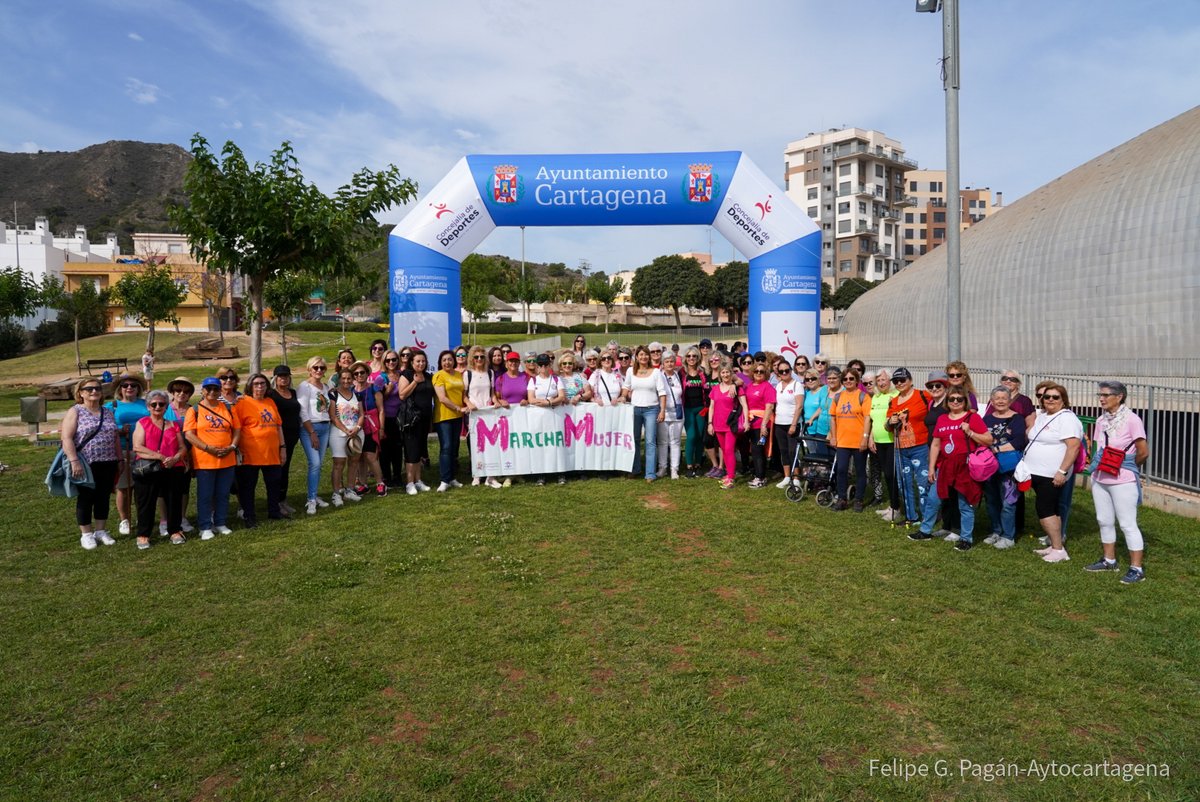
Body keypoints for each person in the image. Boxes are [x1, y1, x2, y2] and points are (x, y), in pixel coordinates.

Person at [910, 389, 993, 549]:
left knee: (965, 503)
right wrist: (932, 467)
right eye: (952, 399)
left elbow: (988, 439)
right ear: (947, 402)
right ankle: (925, 531)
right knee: (933, 499)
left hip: (964, 466)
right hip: (945, 466)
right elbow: (935, 444)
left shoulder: (972, 417)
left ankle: (966, 539)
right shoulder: (942, 419)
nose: (955, 402)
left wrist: (970, 432)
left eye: (959, 399)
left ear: (965, 401)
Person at [1085, 380, 1150, 584]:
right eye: (1100, 395)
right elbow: (1100, 447)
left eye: (1105, 395)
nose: (1101, 399)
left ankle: (1136, 568)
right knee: (1103, 519)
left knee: (1127, 523)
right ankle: (1109, 560)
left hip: (1123, 480)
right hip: (1100, 477)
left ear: (1119, 396)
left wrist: (1127, 466)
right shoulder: (1101, 420)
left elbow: (1143, 451)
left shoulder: (1132, 420)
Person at [60, 378, 122, 549]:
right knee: (86, 497)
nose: (94, 391)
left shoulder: (107, 412)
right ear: (80, 392)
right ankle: (86, 534)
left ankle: (101, 530)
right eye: (89, 389)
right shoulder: (76, 411)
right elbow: (66, 437)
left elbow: (115, 436)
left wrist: (119, 459)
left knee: (103, 496)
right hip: (86, 462)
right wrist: (74, 461)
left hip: (108, 461)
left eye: (97, 388)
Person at [1026, 383, 1083, 564]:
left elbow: (1073, 447)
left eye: (1055, 397)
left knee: (1045, 509)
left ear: (1063, 400)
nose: (1050, 400)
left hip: (1051, 474)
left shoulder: (1066, 418)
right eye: (1046, 397)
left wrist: (1062, 471)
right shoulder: (1044, 416)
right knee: (1052, 509)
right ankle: (1054, 544)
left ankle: (1058, 549)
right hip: (1036, 471)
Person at [130, 389, 190, 549]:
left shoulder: (173, 424)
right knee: (146, 502)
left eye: (161, 404)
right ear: (148, 406)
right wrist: (161, 457)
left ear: (166, 406)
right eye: (154, 404)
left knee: (173, 500)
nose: (157, 407)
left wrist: (176, 458)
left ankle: (175, 530)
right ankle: (143, 534)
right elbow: (137, 447)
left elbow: (183, 447)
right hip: (149, 468)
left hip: (172, 468)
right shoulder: (142, 423)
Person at [184, 377, 241, 541]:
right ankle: (205, 526)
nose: (212, 392)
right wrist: (208, 448)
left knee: (223, 493)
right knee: (206, 494)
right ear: (202, 390)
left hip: (227, 458)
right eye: (208, 389)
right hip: (205, 459)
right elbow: (189, 434)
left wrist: (232, 447)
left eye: (215, 389)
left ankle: (220, 522)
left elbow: (237, 430)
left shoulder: (228, 408)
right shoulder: (194, 410)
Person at [233, 373, 285, 526]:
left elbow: (278, 426)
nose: (260, 387)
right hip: (250, 453)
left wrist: (283, 447)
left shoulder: (271, 402)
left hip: (271, 452)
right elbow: (236, 428)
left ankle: (274, 511)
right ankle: (249, 516)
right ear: (250, 386)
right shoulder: (242, 403)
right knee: (248, 487)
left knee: (274, 483)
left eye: (263, 383)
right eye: (256, 384)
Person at [886, 368, 934, 526]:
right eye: (896, 381)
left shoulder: (923, 395)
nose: (899, 383)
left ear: (910, 380)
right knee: (904, 483)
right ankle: (911, 516)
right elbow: (887, 426)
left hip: (920, 447)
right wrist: (890, 422)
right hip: (900, 448)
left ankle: (928, 517)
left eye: (902, 380)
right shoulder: (893, 401)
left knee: (922, 483)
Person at [981, 385, 1027, 549]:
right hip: (989, 466)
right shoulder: (986, 419)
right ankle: (996, 531)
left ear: (1009, 400)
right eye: (997, 398)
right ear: (992, 401)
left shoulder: (1018, 419)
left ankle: (1008, 536)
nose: (1000, 401)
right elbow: (981, 439)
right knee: (992, 500)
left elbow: (1019, 441)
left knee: (1008, 502)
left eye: (1004, 398)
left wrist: (997, 448)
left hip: (1008, 467)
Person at [107, 373, 149, 537]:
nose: (129, 388)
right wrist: (119, 429)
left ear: (138, 388)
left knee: (141, 487)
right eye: (125, 385)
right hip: (123, 450)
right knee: (123, 488)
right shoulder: (113, 406)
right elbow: (107, 427)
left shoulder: (145, 404)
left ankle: (141, 517)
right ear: (120, 389)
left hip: (143, 451)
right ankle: (125, 520)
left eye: (133, 385)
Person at [828, 369, 871, 511]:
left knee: (860, 471)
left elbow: (867, 419)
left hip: (858, 441)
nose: (848, 381)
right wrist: (833, 437)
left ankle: (858, 499)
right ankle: (842, 499)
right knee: (841, 470)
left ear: (857, 380)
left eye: (851, 378)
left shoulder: (863, 397)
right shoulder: (838, 397)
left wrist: (865, 438)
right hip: (842, 441)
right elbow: (832, 418)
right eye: (845, 379)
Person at [623, 345, 666, 482]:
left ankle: (650, 473)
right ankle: (635, 469)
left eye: (646, 354)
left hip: (651, 409)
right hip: (635, 409)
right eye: (641, 355)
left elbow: (662, 393)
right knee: (634, 440)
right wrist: (623, 396)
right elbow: (626, 387)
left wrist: (662, 410)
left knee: (650, 441)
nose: (643, 357)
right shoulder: (631, 371)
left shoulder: (656, 372)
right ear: (637, 357)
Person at [298, 356, 333, 515]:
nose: (319, 370)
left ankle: (314, 494)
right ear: (309, 369)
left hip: (325, 427)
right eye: (315, 368)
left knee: (319, 465)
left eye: (322, 368)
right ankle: (311, 499)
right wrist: (311, 432)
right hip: (310, 428)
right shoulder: (304, 386)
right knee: (315, 463)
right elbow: (303, 411)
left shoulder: (325, 387)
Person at [463, 345, 501, 488]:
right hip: (474, 414)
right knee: (475, 445)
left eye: (482, 357)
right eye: (476, 357)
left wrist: (496, 401)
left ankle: (490, 476)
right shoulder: (468, 374)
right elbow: (464, 395)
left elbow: (492, 393)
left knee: (491, 443)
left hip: (488, 413)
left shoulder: (490, 373)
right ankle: (477, 474)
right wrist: (469, 403)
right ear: (472, 359)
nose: (479, 359)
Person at [397, 349, 435, 495]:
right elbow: (402, 395)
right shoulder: (406, 375)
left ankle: (418, 480)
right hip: (411, 420)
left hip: (424, 418)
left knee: (419, 450)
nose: (421, 363)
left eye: (423, 361)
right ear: (412, 362)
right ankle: (409, 482)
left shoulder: (428, 376)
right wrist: (415, 382)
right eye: (418, 361)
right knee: (411, 451)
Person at [163, 376, 197, 533]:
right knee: (164, 489)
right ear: (172, 392)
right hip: (167, 454)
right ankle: (164, 520)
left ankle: (182, 517)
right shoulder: (164, 408)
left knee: (184, 487)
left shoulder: (193, 410)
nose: (181, 393)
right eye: (178, 390)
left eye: (186, 391)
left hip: (189, 454)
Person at [527, 353, 566, 485]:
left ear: (550, 365)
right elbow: (531, 399)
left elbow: (561, 397)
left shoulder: (556, 380)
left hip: (555, 416)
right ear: (537, 366)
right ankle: (541, 474)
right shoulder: (533, 381)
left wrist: (550, 403)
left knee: (556, 444)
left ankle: (560, 473)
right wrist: (545, 402)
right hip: (539, 418)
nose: (543, 367)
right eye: (541, 365)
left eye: (546, 365)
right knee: (541, 444)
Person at [706, 364, 748, 490]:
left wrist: (746, 421)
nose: (725, 375)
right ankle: (729, 473)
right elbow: (711, 407)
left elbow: (744, 405)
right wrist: (710, 423)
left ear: (731, 374)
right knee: (724, 450)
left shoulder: (736, 388)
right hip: (718, 425)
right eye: (723, 373)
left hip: (731, 425)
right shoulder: (715, 389)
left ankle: (730, 477)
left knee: (729, 450)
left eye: (727, 372)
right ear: (720, 375)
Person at [267, 366, 301, 516]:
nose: (284, 378)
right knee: (277, 471)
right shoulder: (271, 394)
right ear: (275, 378)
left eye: (286, 376)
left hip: (292, 437)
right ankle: (275, 502)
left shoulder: (293, 392)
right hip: (278, 438)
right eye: (280, 376)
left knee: (285, 469)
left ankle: (282, 500)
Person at [868, 369, 901, 518]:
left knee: (892, 474)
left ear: (890, 381)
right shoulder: (876, 397)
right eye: (879, 380)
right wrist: (871, 437)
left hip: (892, 441)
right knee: (887, 475)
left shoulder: (896, 396)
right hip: (879, 441)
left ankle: (898, 508)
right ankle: (893, 506)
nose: (881, 383)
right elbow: (874, 420)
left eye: (884, 379)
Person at [328, 367, 364, 505]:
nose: (346, 381)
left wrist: (357, 428)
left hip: (356, 433)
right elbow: (333, 416)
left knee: (354, 461)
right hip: (339, 433)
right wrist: (345, 429)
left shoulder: (357, 395)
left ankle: (349, 490)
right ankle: (336, 493)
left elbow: (361, 414)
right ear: (339, 379)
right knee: (339, 463)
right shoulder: (334, 395)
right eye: (343, 378)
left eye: (349, 378)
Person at [432, 349, 466, 492]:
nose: (447, 362)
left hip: (457, 418)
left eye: (450, 359)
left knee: (454, 447)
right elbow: (442, 398)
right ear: (440, 362)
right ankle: (444, 480)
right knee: (446, 447)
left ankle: (452, 478)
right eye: (444, 360)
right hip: (444, 417)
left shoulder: (459, 374)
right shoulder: (438, 375)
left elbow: (462, 393)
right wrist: (458, 408)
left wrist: (465, 406)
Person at [352, 361, 385, 496]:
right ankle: (363, 483)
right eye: (356, 373)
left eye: (362, 372)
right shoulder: (351, 391)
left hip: (371, 426)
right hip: (357, 426)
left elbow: (381, 409)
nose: (359, 375)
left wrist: (382, 428)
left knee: (371, 456)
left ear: (367, 373)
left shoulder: (373, 389)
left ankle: (380, 483)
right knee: (359, 457)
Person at [374, 350, 406, 489]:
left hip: (401, 418)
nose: (391, 362)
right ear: (384, 362)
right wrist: (388, 390)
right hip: (386, 419)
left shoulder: (402, 376)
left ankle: (398, 476)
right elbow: (378, 402)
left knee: (398, 448)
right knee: (385, 450)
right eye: (388, 360)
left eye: (393, 359)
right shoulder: (381, 378)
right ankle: (386, 477)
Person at [744, 362, 777, 488]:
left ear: (766, 374)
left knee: (758, 449)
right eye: (756, 371)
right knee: (754, 449)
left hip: (762, 423)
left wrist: (764, 425)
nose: (758, 373)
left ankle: (761, 477)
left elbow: (769, 407)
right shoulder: (749, 386)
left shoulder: (767, 387)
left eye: (761, 371)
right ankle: (758, 474)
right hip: (751, 423)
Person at [771, 359, 802, 488]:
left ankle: (796, 477)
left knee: (792, 451)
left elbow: (799, 406)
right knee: (783, 451)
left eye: (786, 370)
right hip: (779, 423)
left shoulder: (797, 385)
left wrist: (794, 424)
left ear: (791, 371)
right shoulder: (778, 385)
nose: (784, 373)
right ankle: (786, 476)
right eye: (781, 371)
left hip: (792, 423)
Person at [680, 347, 709, 478]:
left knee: (699, 437)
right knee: (691, 436)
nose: (691, 358)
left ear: (698, 358)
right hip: (688, 408)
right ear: (685, 358)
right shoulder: (681, 373)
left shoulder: (703, 372)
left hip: (701, 408)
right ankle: (689, 465)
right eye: (689, 356)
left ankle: (698, 464)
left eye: (694, 356)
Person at [656, 352, 684, 480]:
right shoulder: (658, 376)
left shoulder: (679, 375)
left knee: (675, 442)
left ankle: (674, 469)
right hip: (663, 413)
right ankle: (662, 467)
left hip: (677, 412)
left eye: (671, 361)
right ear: (663, 363)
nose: (669, 364)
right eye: (666, 361)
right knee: (662, 442)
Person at [803, 366, 836, 459]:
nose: (810, 381)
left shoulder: (824, 390)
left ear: (818, 379)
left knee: (824, 454)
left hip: (821, 428)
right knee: (813, 454)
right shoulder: (806, 393)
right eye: (807, 379)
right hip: (808, 428)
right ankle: (814, 471)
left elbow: (824, 408)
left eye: (813, 378)